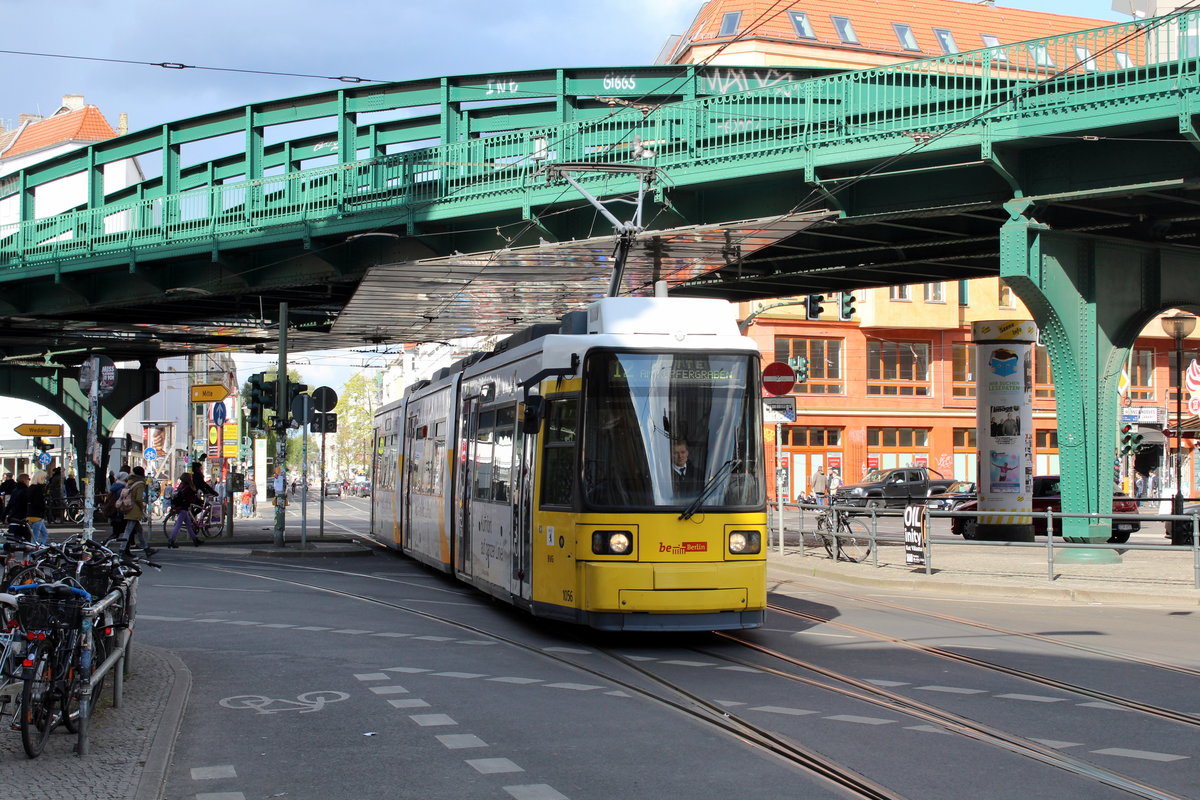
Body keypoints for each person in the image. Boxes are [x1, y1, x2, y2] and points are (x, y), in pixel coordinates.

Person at [120, 466, 155, 556]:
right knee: (128, 530)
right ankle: (122, 549)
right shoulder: (140, 483)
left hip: (128, 507)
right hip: (134, 509)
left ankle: (146, 548)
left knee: (139, 530)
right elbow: (139, 498)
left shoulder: (130, 482)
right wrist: (142, 508)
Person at [167, 472, 202, 548]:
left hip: (179, 506)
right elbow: (191, 498)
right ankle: (171, 540)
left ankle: (195, 540)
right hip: (183, 507)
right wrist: (199, 501)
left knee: (188, 525)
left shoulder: (181, 486)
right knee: (178, 525)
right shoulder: (188, 487)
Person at [102, 471, 129, 541]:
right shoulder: (122, 489)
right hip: (119, 513)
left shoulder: (114, 486)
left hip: (114, 512)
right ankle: (125, 548)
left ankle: (127, 548)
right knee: (125, 531)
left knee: (118, 532)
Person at [26, 469, 49, 545]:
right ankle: (33, 554)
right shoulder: (39, 489)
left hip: (30, 513)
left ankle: (41, 548)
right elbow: (38, 502)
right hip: (37, 515)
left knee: (45, 533)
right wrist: (44, 507)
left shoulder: (30, 487)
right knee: (35, 538)